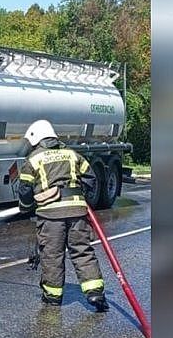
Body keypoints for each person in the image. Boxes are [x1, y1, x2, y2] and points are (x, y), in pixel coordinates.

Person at [15, 119, 108, 311]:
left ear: (36, 138)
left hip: (50, 217)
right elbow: (91, 178)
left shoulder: (33, 160)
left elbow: (24, 190)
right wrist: (82, 198)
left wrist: (26, 207)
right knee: (82, 250)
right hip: (77, 212)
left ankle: (53, 297)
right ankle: (95, 293)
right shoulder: (72, 155)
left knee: (52, 255)